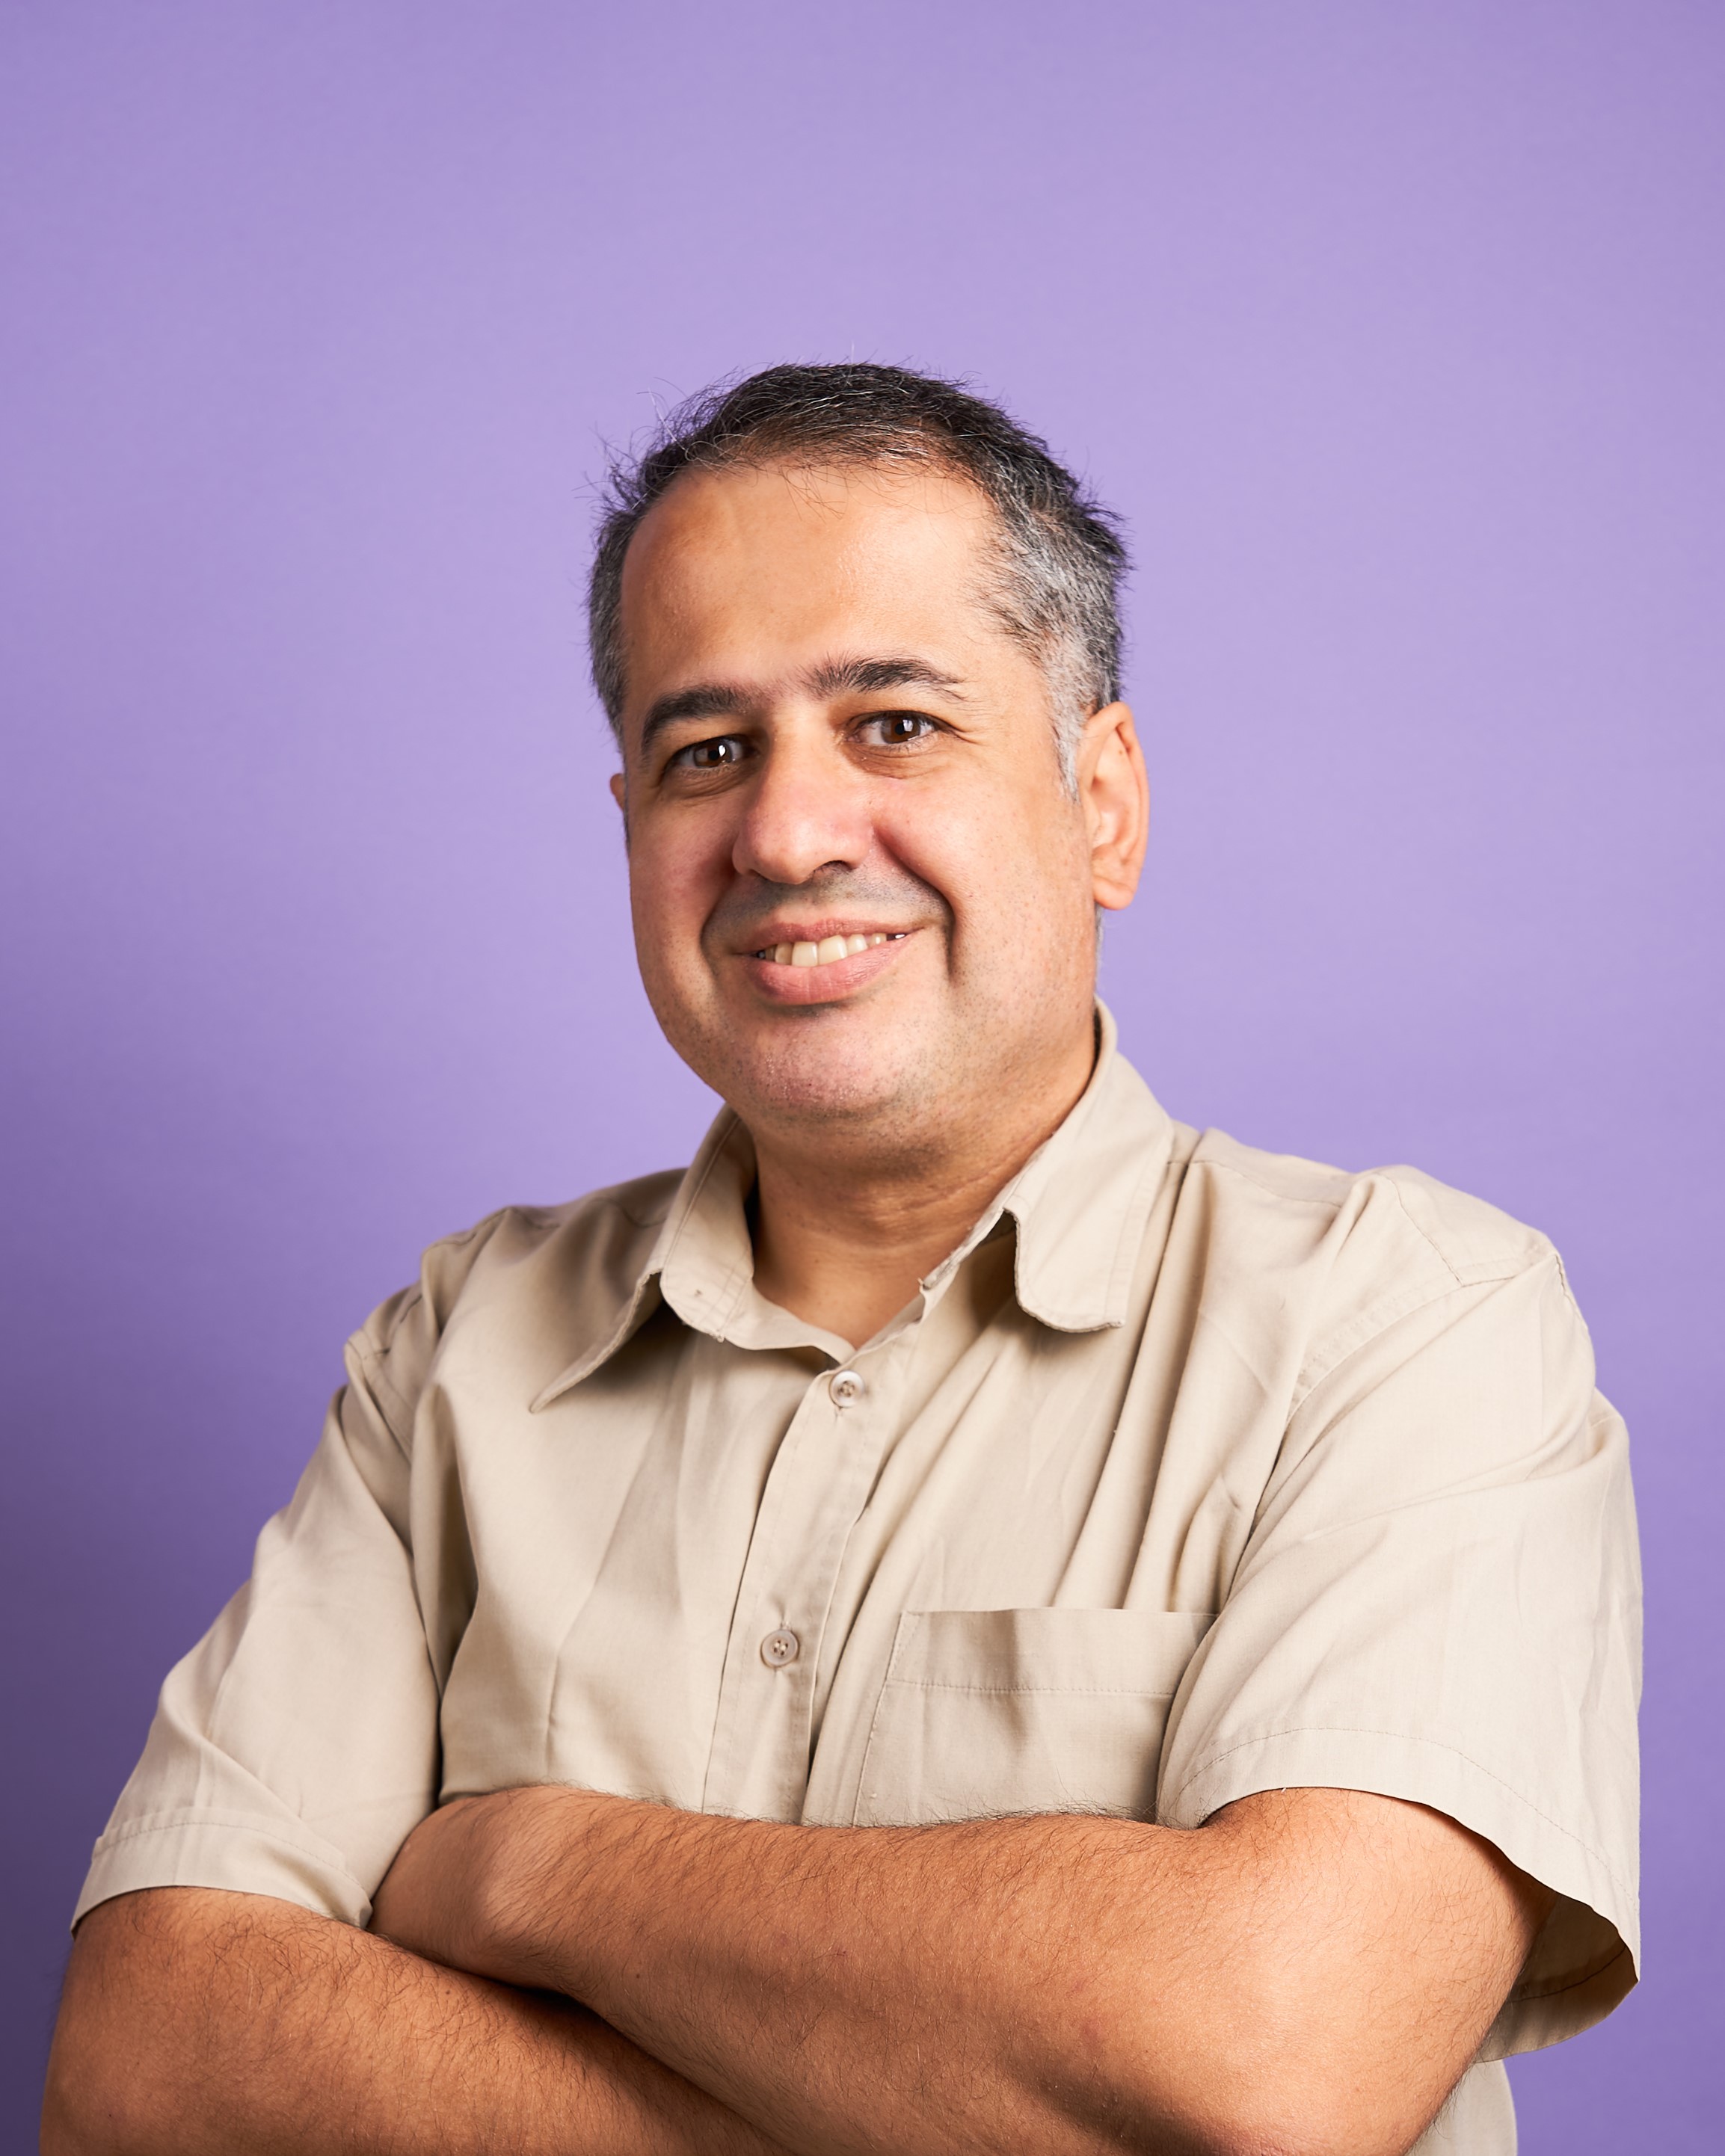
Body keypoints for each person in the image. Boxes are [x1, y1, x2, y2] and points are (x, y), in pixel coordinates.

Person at [43, 364, 1641, 2156]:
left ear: (1102, 801)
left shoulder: (1409, 1325)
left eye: (891, 722)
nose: (786, 833)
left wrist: (528, 1865)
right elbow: (142, 2062)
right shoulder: (459, 1347)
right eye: (705, 751)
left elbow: (1274, 2067)